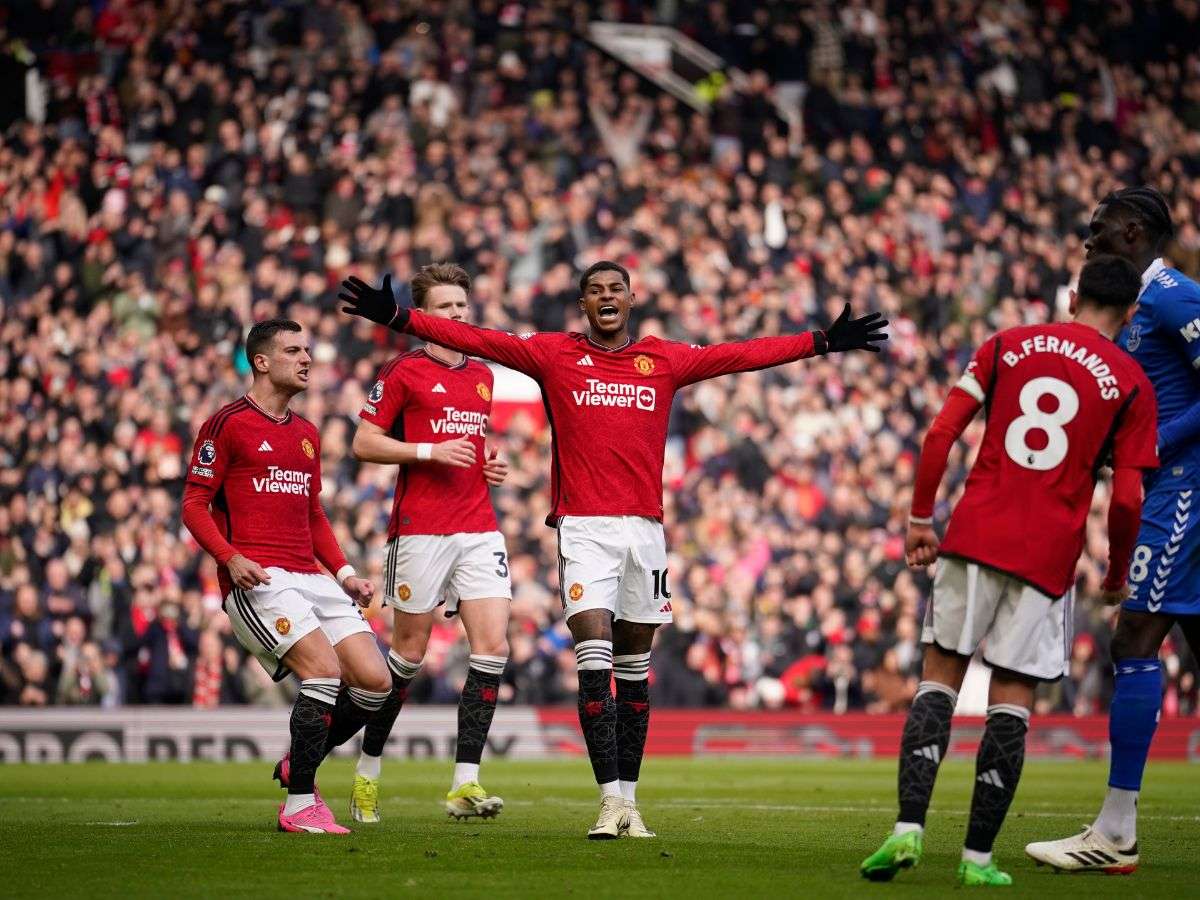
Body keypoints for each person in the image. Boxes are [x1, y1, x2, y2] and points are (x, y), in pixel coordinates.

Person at [339, 260, 887, 839]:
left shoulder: (664, 360)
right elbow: (476, 338)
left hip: (646, 531)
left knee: (634, 668)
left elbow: (741, 353)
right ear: (582, 303)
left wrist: (821, 342)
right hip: (583, 529)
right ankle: (606, 802)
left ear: (630, 298)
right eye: (595, 290)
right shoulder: (554, 355)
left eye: (615, 289)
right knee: (593, 655)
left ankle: (629, 800)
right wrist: (399, 316)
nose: (606, 296)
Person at [860, 254, 1158, 886]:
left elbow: (940, 435)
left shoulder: (1007, 344)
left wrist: (920, 519)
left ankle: (908, 828)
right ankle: (976, 860)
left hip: (972, 536)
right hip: (1046, 558)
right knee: (1011, 704)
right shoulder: (1132, 381)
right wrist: (1117, 569)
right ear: (1131, 314)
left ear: (1074, 296)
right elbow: (1129, 497)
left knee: (937, 683)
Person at [1027, 188, 1200, 873]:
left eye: (1097, 233)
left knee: (1135, 633)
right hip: (1168, 486)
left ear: (1132, 233)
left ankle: (1116, 831)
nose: (1087, 244)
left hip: (1186, 488)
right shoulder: (1139, 307)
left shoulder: (1172, 296)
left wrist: (1153, 442)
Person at [181, 318, 392, 834]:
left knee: (375, 681)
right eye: (294, 350)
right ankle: (300, 805)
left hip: (311, 576)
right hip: (259, 578)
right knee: (322, 671)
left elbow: (312, 514)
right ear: (261, 361)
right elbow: (193, 504)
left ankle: (298, 760)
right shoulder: (227, 423)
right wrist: (230, 558)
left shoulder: (306, 434)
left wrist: (343, 574)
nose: (306, 359)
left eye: (308, 350)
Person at [346, 263, 513, 823]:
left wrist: (489, 463)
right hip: (419, 529)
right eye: (446, 307)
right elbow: (363, 443)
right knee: (408, 657)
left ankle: (464, 783)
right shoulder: (403, 371)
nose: (458, 315)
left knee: (493, 648)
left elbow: (473, 444)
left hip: (478, 526)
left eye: (462, 306)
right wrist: (427, 452)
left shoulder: (483, 375)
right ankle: (367, 772)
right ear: (423, 315)